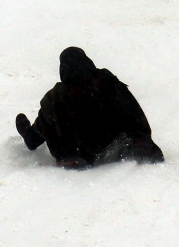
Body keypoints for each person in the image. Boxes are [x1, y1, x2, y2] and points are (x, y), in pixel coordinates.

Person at [16, 47, 164, 168]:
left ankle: (60, 153)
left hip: (78, 150)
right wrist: (141, 138)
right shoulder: (108, 83)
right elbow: (133, 111)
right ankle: (137, 145)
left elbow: (46, 124)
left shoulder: (56, 96)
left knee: (48, 116)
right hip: (108, 141)